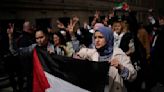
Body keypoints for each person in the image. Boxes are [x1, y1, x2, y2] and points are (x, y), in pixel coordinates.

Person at [74, 26, 137, 92]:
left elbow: (133, 76)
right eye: (95, 37)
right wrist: (72, 34)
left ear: (108, 38)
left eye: (100, 37)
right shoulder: (94, 53)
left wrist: (121, 67)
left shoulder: (119, 54)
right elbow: (79, 50)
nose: (97, 40)